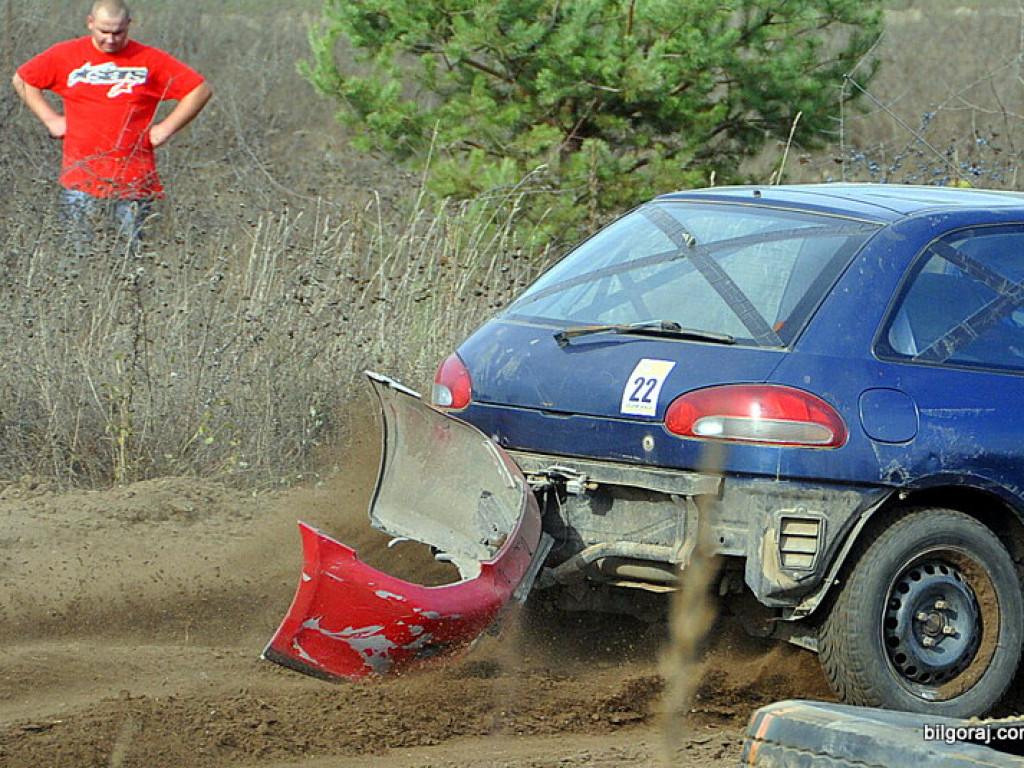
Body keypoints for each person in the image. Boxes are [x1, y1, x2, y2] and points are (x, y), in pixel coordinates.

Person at [12, 0, 212, 252]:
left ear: (129, 25)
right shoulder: (66, 54)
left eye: (118, 32)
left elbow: (199, 89)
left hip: (133, 180)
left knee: (130, 258)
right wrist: (51, 119)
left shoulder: (149, 59)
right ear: (90, 23)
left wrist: (166, 128)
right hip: (80, 178)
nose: (110, 39)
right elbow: (22, 79)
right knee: (77, 255)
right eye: (103, 31)